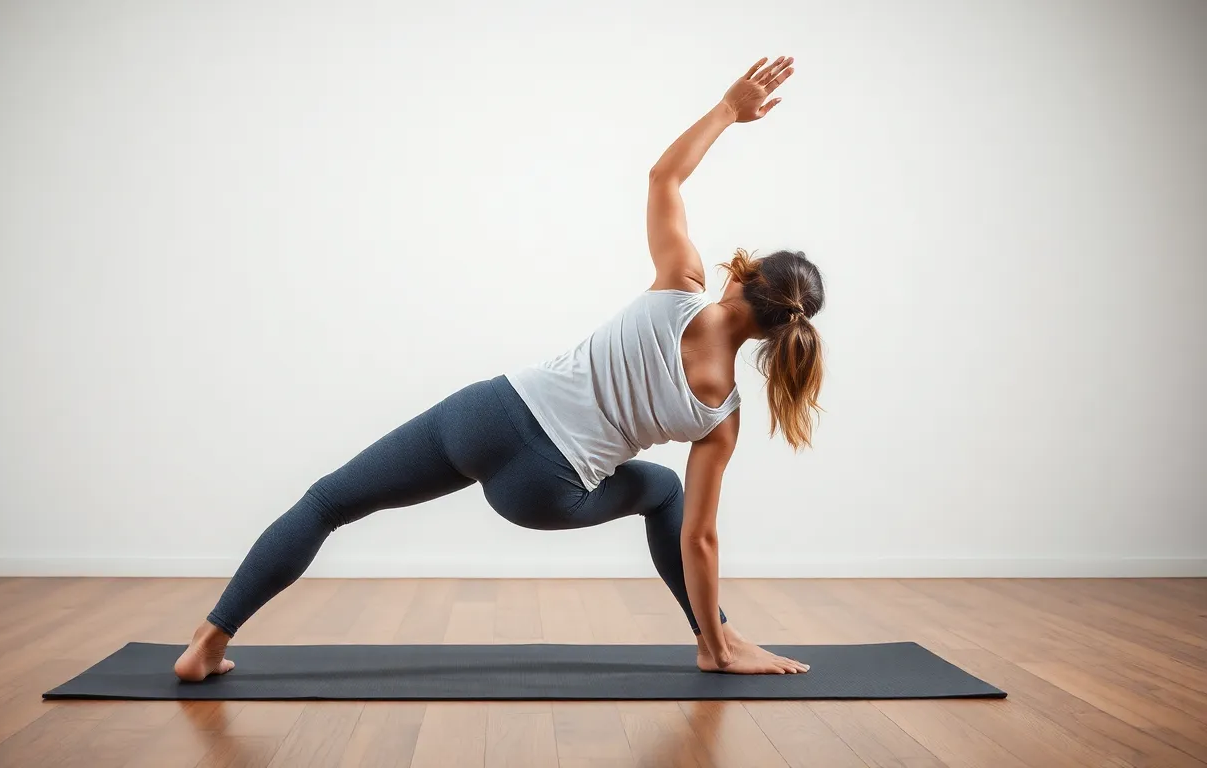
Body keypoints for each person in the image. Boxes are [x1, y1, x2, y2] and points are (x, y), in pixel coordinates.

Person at [174, 54, 823, 681]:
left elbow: (664, 178)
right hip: (544, 489)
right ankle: (715, 643)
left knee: (329, 502)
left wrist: (725, 111)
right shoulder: (720, 414)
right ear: (777, 335)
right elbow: (700, 541)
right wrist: (717, 639)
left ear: (746, 277)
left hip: (487, 414)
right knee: (665, 494)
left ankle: (207, 642)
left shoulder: (678, 282)